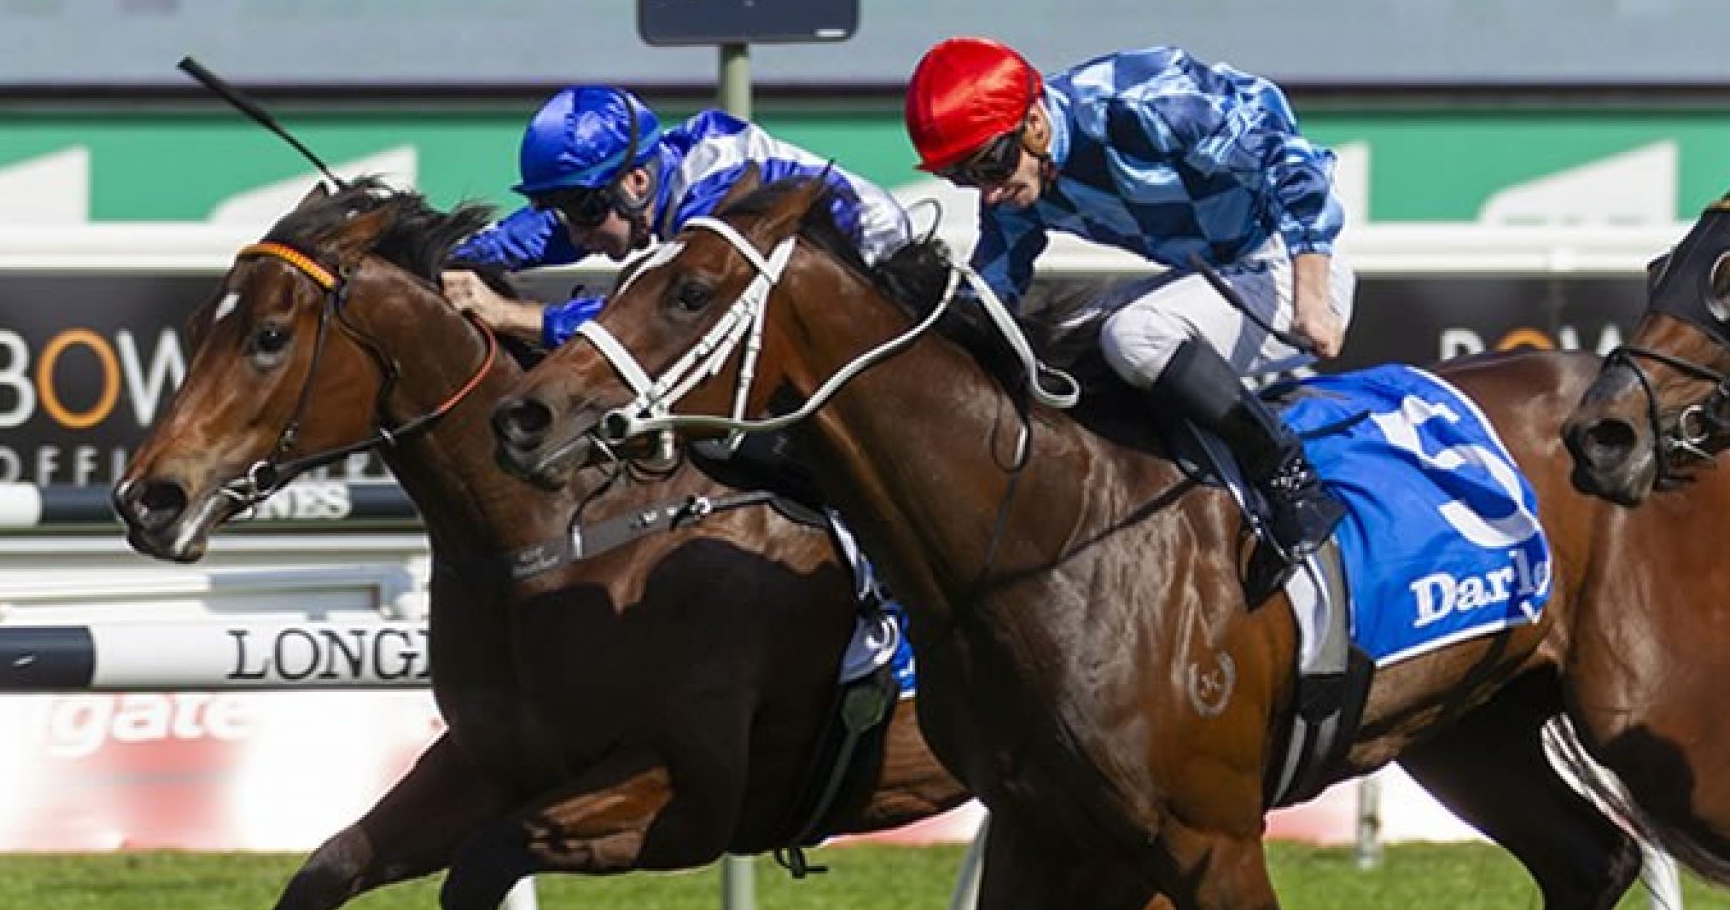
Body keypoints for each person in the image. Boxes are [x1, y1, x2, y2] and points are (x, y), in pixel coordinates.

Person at [904, 37, 1354, 586]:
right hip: (1212, 276)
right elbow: (992, 294)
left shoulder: (1140, 106)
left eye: (988, 166)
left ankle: (1289, 478)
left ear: (1034, 123)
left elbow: (1297, 163)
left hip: (1290, 260)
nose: (988, 192)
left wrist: (1312, 297)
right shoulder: (1019, 185)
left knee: (1136, 334)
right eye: (960, 177)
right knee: (1055, 346)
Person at [443, 85, 913, 349]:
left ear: (636, 184)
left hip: (882, 299)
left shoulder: (714, 194)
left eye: (582, 210)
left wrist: (507, 313)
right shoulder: (656, 176)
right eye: (563, 209)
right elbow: (539, 232)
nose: (576, 232)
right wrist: (444, 255)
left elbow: (655, 319)